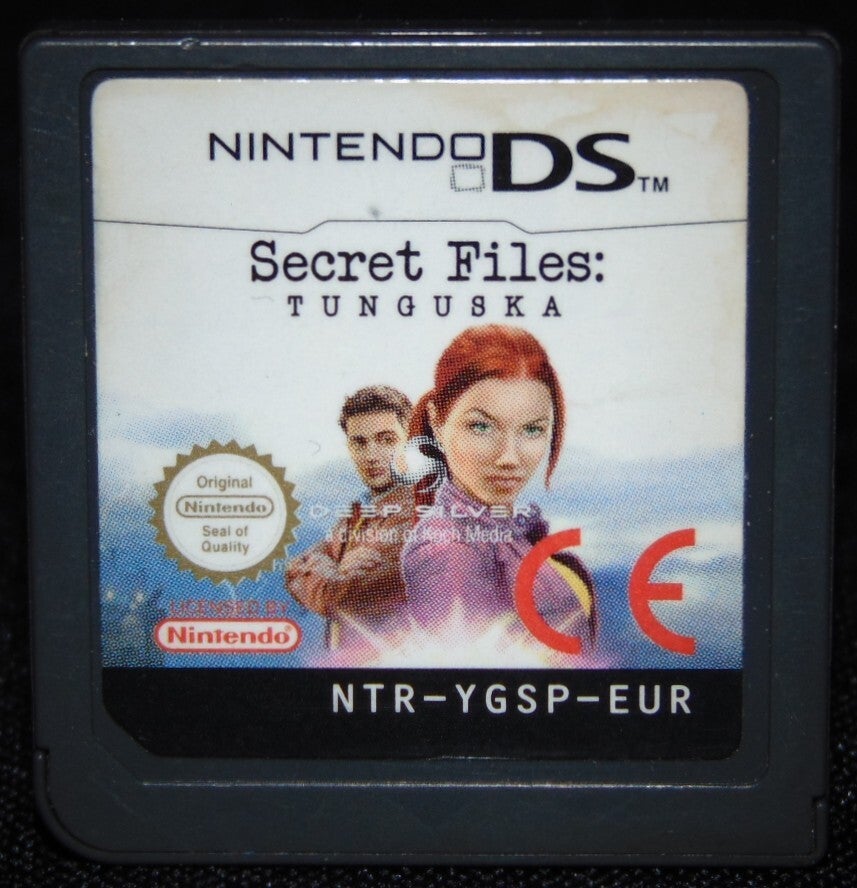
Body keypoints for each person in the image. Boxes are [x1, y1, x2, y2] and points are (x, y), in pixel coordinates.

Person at [401, 325, 596, 652]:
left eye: (532, 430)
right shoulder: (448, 548)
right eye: (481, 426)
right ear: (437, 423)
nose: (509, 458)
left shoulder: (506, 531)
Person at [286, 386, 414, 648]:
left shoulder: (420, 511)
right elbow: (293, 568)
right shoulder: (358, 511)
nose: (371, 455)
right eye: (360, 443)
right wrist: (335, 570)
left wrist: (330, 570)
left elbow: (339, 598)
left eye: (386, 440)